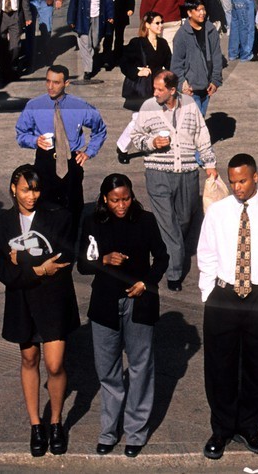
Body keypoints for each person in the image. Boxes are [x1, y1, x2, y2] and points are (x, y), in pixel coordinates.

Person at [197, 154, 258, 461]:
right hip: (223, 296)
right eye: (233, 181)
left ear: (256, 177)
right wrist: (209, 293)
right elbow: (207, 254)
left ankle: (249, 426)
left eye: (242, 180)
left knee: (257, 365)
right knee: (219, 366)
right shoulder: (217, 213)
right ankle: (221, 428)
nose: (237, 187)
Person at [0, 164, 79, 457]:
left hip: (53, 301)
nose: (32, 196)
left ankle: (56, 421)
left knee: (54, 364)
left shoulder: (59, 217)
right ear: (13, 188)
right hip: (21, 302)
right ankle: (36, 425)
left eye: (36, 189)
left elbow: (62, 261)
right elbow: (1, 269)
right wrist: (38, 267)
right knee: (29, 359)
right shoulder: (0, 226)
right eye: (26, 189)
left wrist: (21, 262)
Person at [78, 173, 169, 456]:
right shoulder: (93, 221)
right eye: (116, 200)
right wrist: (102, 260)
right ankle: (108, 430)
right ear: (104, 198)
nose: (122, 205)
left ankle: (135, 432)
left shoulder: (145, 220)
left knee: (141, 367)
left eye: (126, 198)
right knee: (108, 371)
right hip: (105, 303)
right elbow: (82, 263)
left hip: (138, 303)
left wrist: (146, 282)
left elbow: (162, 257)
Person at [124, 70, 217, 290]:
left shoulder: (190, 105)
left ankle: (169, 252)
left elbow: (201, 133)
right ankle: (173, 273)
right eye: (153, 88)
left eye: (159, 89)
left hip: (187, 173)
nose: (154, 92)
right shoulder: (147, 107)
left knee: (184, 219)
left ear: (172, 90)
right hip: (158, 173)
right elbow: (135, 137)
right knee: (169, 226)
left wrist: (210, 163)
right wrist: (151, 142)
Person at [16, 65, 107, 229]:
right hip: (45, 162)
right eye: (48, 81)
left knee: (73, 210)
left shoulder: (79, 106)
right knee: (43, 210)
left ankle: (71, 248)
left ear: (66, 83)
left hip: (71, 162)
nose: (51, 87)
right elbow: (21, 134)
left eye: (56, 83)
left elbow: (100, 129)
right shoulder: (34, 105)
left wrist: (89, 152)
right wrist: (35, 141)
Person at [172, 0, 225, 120]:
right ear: (189, 13)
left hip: (207, 86)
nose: (202, 13)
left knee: (200, 118)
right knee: (195, 121)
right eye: (198, 10)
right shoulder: (182, 35)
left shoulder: (211, 30)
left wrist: (215, 81)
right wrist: (182, 84)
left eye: (203, 9)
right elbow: (176, 64)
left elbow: (217, 57)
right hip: (190, 88)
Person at [67, 0, 115, 81]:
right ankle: (88, 70)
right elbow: (73, 3)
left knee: (95, 43)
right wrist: (71, 19)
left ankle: (94, 55)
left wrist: (110, 15)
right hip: (82, 18)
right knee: (85, 43)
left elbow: (108, 1)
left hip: (98, 17)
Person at [119, 12, 172, 107]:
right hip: (142, 89)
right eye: (157, 23)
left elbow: (170, 63)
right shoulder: (137, 43)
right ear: (147, 25)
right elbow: (124, 62)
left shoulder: (162, 43)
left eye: (161, 22)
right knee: (140, 118)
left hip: (158, 88)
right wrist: (137, 72)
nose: (161, 25)